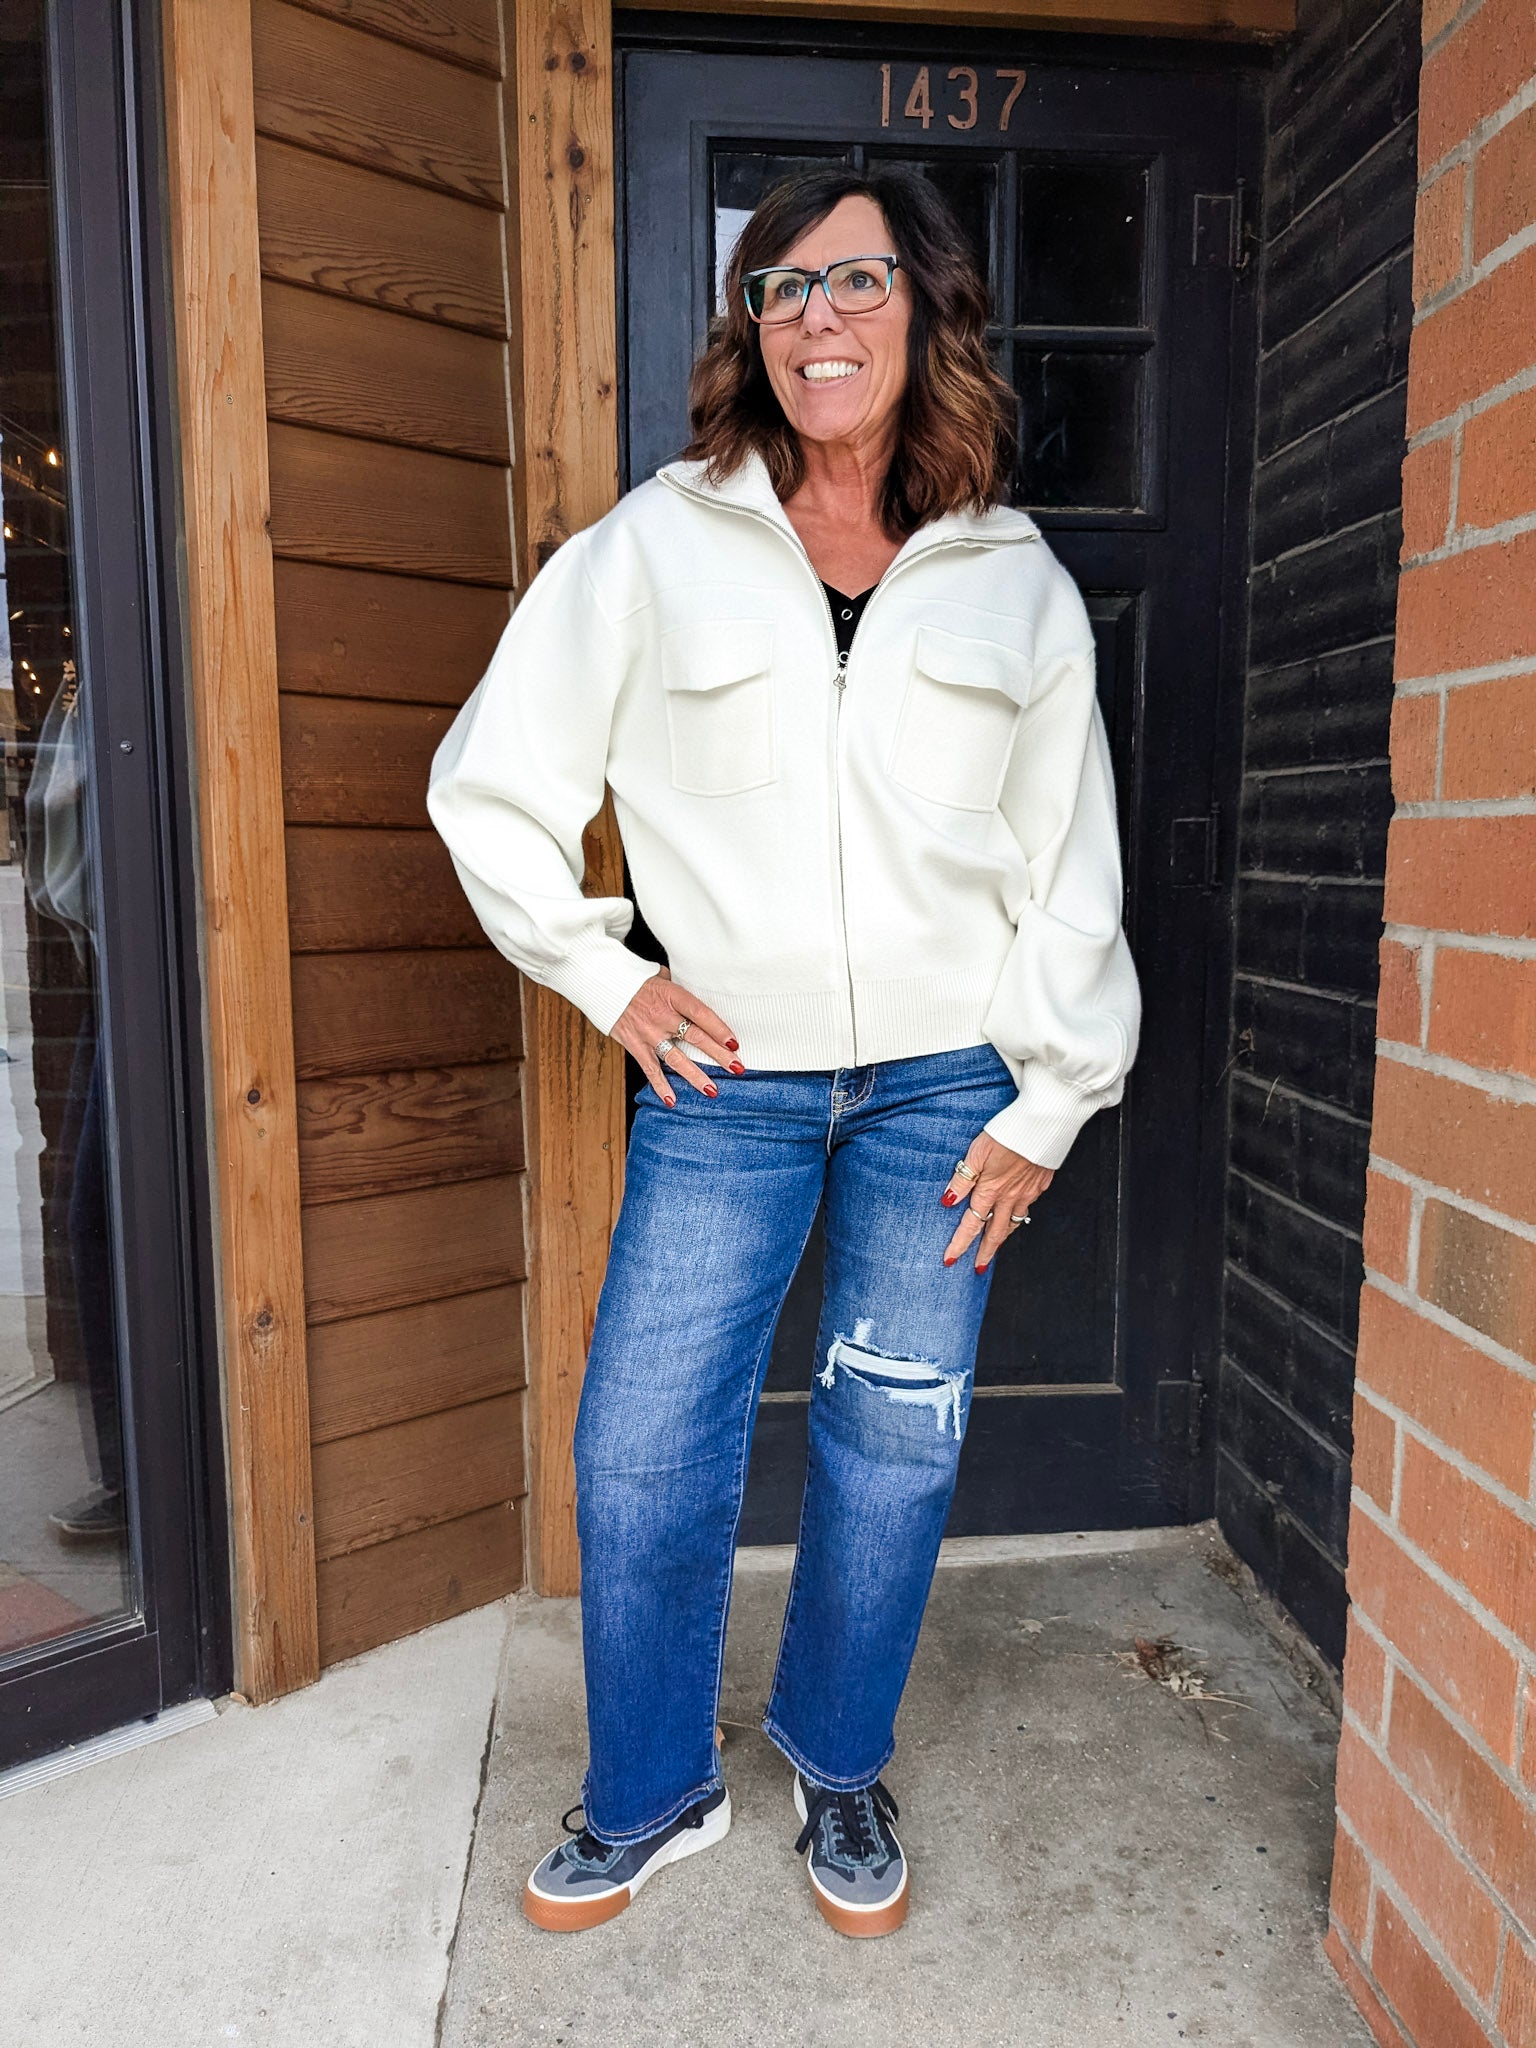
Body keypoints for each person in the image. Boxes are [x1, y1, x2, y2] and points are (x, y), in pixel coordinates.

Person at [427, 164, 1141, 1939]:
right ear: (752, 330)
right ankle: (654, 1788)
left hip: (949, 1093)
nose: (819, 316)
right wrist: (608, 980)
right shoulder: (652, 549)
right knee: (642, 1446)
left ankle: (837, 1758)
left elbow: (1068, 867)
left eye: (857, 279)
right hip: (727, 1084)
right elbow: (490, 788)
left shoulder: (1016, 584)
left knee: (892, 1450)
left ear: (927, 309)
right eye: (783, 288)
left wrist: (1054, 1098)